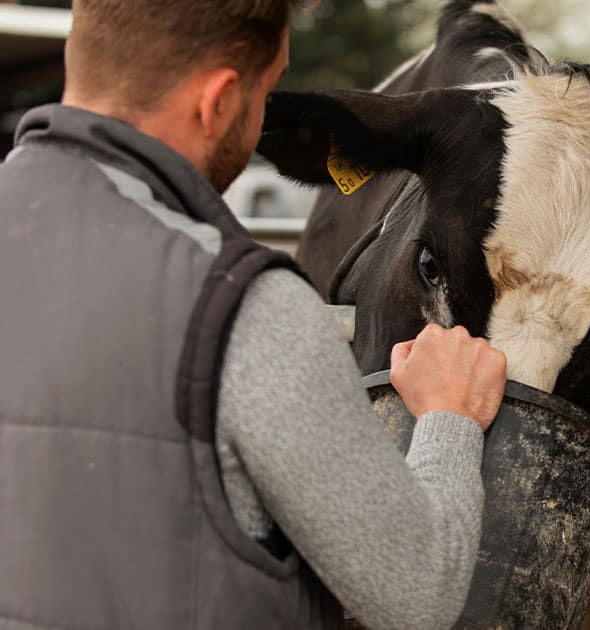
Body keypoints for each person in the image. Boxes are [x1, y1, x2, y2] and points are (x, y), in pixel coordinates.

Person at [0, 1, 508, 629]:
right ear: (219, 100)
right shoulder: (245, 309)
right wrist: (449, 419)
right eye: (267, 89)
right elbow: (417, 595)